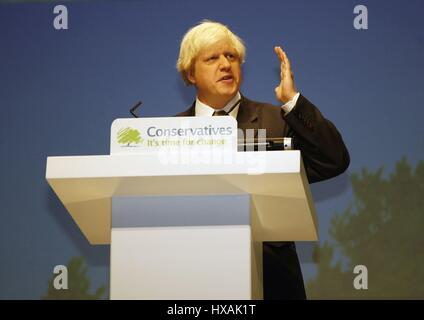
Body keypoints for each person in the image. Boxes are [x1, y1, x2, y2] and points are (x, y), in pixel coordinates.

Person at [175, 20, 350, 300]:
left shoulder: (276, 120)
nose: (225, 64)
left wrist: (292, 101)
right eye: (212, 58)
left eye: (231, 56)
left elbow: (333, 159)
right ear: (190, 74)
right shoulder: (168, 133)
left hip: (271, 280)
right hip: (189, 279)